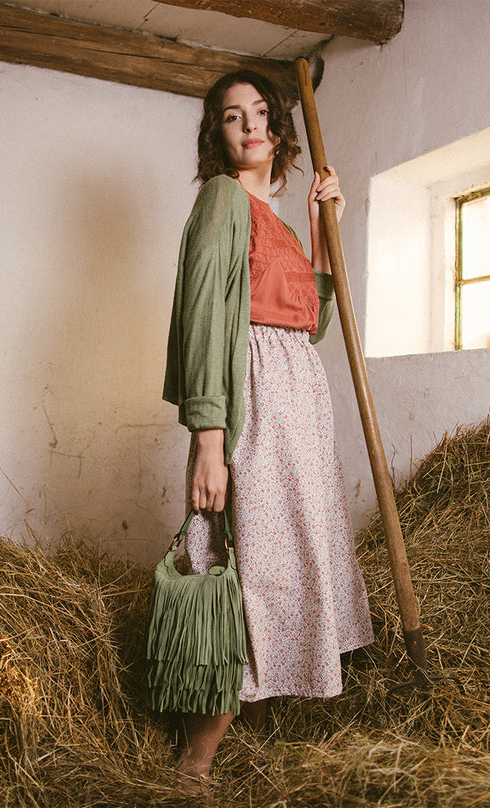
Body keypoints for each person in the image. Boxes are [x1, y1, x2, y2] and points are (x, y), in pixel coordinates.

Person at [161, 69, 374, 789]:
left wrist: (321, 226)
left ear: (278, 131)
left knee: (282, 560)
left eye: (259, 113)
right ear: (216, 137)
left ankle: (254, 731)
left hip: (298, 404)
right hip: (253, 399)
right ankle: (195, 764)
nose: (249, 124)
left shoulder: (277, 221)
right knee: (243, 565)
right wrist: (209, 442)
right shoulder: (222, 201)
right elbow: (202, 318)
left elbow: (307, 322)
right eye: (231, 116)